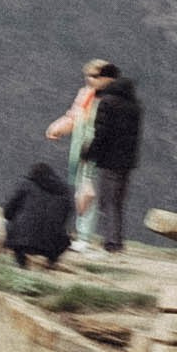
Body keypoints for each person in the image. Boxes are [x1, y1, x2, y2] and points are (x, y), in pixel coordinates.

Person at [44, 55, 117, 242]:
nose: (90, 79)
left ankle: (85, 235)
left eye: (94, 76)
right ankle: (80, 231)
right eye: (88, 75)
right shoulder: (85, 95)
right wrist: (58, 127)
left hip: (99, 151)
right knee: (81, 190)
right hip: (81, 148)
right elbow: (74, 116)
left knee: (90, 192)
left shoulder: (111, 99)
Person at [85, 63, 143, 252]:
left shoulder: (107, 102)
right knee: (118, 201)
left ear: (106, 79)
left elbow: (101, 132)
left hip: (110, 159)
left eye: (99, 78)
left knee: (108, 200)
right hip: (128, 160)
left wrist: (90, 153)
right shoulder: (134, 104)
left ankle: (111, 242)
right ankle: (117, 240)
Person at [1, 158, 75, 267]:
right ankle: (51, 260)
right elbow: (66, 216)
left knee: (10, 225)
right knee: (63, 236)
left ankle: (20, 259)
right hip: (50, 244)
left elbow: (8, 211)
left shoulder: (26, 184)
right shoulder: (64, 191)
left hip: (23, 242)